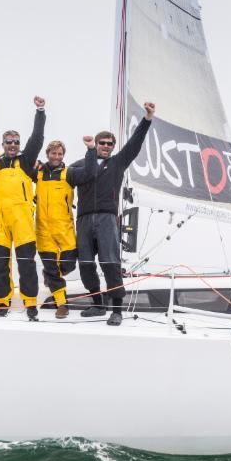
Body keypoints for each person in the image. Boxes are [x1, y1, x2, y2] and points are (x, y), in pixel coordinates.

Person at [74, 102, 155, 326]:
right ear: (95, 144)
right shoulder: (81, 165)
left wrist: (147, 119)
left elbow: (135, 143)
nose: (107, 146)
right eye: (103, 143)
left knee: (110, 263)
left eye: (110, 144)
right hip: (83, 219)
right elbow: (64, 174)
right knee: (86, 263)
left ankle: (116, 310)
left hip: (107, 219)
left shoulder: (118, 162)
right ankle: (98, 304)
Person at [0, 96, 46, 320]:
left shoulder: (26, 159)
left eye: (16, 142)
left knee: (26, 264)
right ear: (2, 145)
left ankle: (31, 303)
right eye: (8, 142)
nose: (13, 145)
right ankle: (2, 300)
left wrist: (40, 111)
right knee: (0, 264)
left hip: (22, 220)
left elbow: (37, 138)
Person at [34, 136, 97, 319]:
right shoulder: (37, 173)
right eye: (53, 153)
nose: (56, 156)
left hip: (64, 228)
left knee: (69, 263)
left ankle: (50, 274)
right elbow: (24, 160)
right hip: (43, 230)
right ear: (48, 154)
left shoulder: (69, 173)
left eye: (60, 154)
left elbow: (91, 172)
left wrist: (91, 150)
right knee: (52, 268)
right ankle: (62, 304)